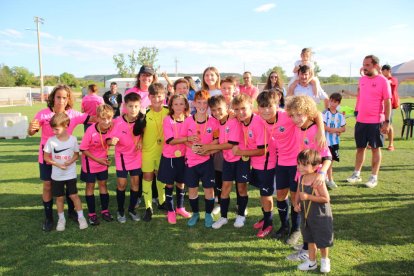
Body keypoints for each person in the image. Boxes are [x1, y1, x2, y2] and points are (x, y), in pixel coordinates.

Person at [28, 84, 90, 232]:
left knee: (68, 186)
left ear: (68, 99)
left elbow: (92, 118)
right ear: (53, 98)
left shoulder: (73, 114)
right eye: (58, 97)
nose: (61, 101)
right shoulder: (43, 114)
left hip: (66, 158)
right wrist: (31, 129)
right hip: (47, 157)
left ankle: (71, 213)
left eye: (64, 97)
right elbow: (32, 131)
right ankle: (49, 218)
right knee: (48, 185)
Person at [285, 95, 332, 261]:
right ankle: (308, 245)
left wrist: (321, 173)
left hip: (313, 179)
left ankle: (307, 251)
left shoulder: (314, 131)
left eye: (299, 114)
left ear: (307, 112)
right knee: (302, 210)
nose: (295, 119)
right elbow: (319, 113)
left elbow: (327, 156)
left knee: (310, 215)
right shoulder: (299, 127)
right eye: (292, 115)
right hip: (301, 175)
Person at [199, 95, 249, 229]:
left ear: (227, 107)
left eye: (219, 109)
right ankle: (224, 217)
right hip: (227, 160)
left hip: (240, 159)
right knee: (225, 188)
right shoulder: (216, 123)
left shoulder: (233, 120)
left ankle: (241, 215)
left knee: (241, 188)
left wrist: (209, 147)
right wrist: (207, 150)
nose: (217, 113)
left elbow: (230, 144)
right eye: (213, 110)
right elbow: (217, 140)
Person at [231, 94, 273, 238]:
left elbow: (263, 150)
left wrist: (242, 152)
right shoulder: (243, 120)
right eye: (237, 109)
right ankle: (265, 217)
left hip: (266, 162)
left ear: (251, 107)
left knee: (266, 194)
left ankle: (269, 223)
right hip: (256, 163)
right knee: (262, 193)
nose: (240, 112)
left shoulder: (258, 122)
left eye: (243, 108)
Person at [346, 55, 391, 188]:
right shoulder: (362, 80)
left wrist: (387, 121)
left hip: (376, 122)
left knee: (375, 149)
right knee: (360, 148)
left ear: (376, 66)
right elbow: (361, 98)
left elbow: (388, 102)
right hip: (361, 121)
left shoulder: (383, 81)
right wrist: (356, 112)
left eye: (367, 65)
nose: (364, 68)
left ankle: (373, 177)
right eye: (363, 65)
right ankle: (356, 174)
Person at [178, 90, 220, 228]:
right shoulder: (188, 121)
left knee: (209, 190)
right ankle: (195, 213)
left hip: (207, 161)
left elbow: (217, 140)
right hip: (190, 162)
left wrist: (206, 147)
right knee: (192, 189)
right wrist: (192, 147)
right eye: (199, 102)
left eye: (205, 103)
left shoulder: (213, 122)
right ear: (194, 103)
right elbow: (183, 139)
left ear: (208, 105)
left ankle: (208, 214)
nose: (202, 105)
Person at [43, 113, 88, 231]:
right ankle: (61, 219)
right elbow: (46, 157)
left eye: (56, 129)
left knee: (74, 196)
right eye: (52, 128)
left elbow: (76, 155)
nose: (54, 131)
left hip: (70, 174)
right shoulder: (51, 141)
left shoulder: (73, 139)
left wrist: (70, 162)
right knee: (59, 198)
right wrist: (57, 164)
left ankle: (81, 218)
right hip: (57, 176)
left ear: (66, 126)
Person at [294, 149, 333, 273]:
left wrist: (308, 197)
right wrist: (296, 203)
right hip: (306, 214)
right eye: (299, 164)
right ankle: (311, 262)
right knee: (309, 239)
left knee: (322, 240)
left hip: (320, 215)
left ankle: (324, 260)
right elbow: (298, 192)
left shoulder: (318, 180)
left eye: (304, 165)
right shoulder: (301, 178)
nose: (300, 167)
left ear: (316, 166)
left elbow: (326, 199)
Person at [110, 93, 146, 223]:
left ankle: (131, 209)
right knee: (122, 184)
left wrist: (141, 140)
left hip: (136, 156)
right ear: (125, 106)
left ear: (140, 106)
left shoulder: (142, 120)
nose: (133, 109)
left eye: (136, 106)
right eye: (130, 106)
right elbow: (109, 140)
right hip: (122, 157)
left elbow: (143, 133)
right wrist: (111, 141)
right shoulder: (117, 122)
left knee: (136, 183)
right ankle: (120, 210)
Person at [157, 94, 192, 224]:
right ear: (171, 105)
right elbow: (170, 140)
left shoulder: (189, 119)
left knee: (181, 183)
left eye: (181, 104)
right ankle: (170, 210)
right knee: (169, 183)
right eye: (175, 104)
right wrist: (187, 139)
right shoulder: (167, 119)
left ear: (185, 105)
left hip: (183, 156)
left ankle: (180, 207)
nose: (178, 107)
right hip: (170, 157)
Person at [79, 104, 115, 225]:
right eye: (103, 119)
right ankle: (92, 214)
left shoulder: (111, 127)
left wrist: (112, 142)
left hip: (102, 162)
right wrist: (98, 160)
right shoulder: (90, 130)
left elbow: (108, 140)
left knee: (103, 185)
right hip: (90, 162)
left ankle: (105, 211)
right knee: (90, 186)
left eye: (109, 118)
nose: (106, 121)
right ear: (98, 118)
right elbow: (83, 149)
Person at [140, 83, 169, 222]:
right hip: (147, 151)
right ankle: (148, 207)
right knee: (147, 177)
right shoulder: (144, 113)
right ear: (149, 97)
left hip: (163, 151)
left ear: (164, 96)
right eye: (154, 97)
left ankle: (162, 202)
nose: (157, 99)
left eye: (160, 96)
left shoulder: (168, 111)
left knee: (161, 177)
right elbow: (138, 130)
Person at [323, 93, 346, 189]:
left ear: (339, 103)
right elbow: (324, 127)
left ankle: (329, 179)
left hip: (334, 143)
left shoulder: (340, 116)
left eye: (335, 102)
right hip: (324, 143)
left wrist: (336, 130)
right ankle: (327, 179)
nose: (332, 103)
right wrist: (335, 130)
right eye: (331, 101)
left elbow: (343, 128)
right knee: (323, 162)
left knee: (330, 162)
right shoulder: (324, 113)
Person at [381, 64, 399, 151]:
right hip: (381, 105)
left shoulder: (393, 79)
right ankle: (379, 142)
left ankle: (391, 144)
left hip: (390, 105)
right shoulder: (382, 79)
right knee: (380, 123)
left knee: (389, 124)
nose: (382, 73)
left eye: (383, 71)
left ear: (388, 71)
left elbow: (389, 82)